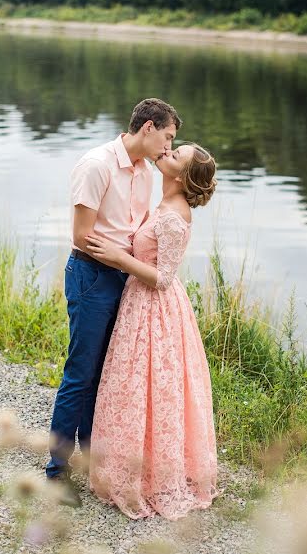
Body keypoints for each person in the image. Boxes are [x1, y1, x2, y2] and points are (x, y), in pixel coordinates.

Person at [45, 98, 182, 507]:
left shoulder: (145, 173)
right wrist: (120, 261)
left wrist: (131, 265)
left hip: (124, 279)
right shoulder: (96, 165)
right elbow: (82, 236)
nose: (169, 147)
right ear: (148, 128)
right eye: (168, 137)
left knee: (105, 378)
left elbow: (135, 231)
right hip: (90, 276)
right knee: (80, 375)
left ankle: (94, 465)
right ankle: (56, 473)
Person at [84, 142, 220, 520]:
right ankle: (131, 466)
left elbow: (163, 278)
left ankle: (154, 478)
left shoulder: (176, 216)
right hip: (137, 302)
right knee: (133, 387)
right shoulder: (162, 203)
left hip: (154, 309)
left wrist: (118, 259)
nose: (168, 151)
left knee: (151, 388)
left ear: (180, 176)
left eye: (176, 156)